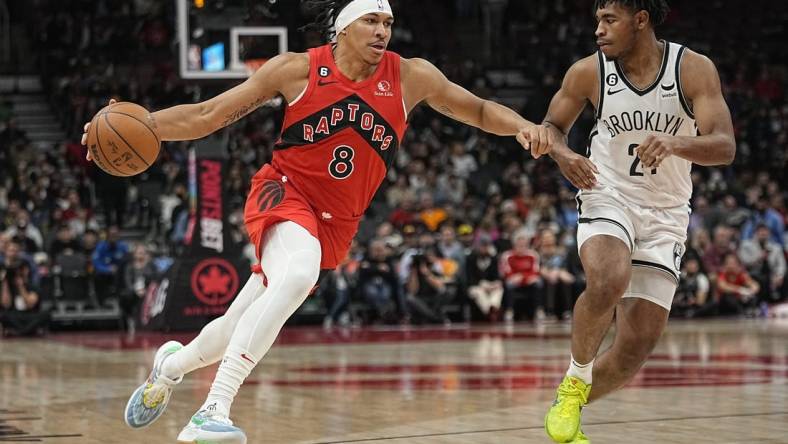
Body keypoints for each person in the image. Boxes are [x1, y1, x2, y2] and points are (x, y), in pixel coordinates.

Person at [83, 1, 551, 441]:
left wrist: (522, 126)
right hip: (283, 194)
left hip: (337, 222)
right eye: (371, 21)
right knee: (298, 274)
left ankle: (170, 366)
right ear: (343, 26)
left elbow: (481, 109)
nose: (382, 32)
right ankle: (214, 409)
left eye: (387, 24)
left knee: (233, 327)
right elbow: (208, 114)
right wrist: (143, 123)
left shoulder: (410, 77)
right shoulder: (297, 69)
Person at [539, 1, 736, 442]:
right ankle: (575, 378)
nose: (599, 30)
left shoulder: (692, 68)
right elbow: (551, 126)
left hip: (666, 212)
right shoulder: (587, 72)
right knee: (609, 277)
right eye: (597, 21)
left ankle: (571, 398)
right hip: (607, 193)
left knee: (635, 347)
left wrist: (675, 142)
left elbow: (724, 146)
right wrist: (564, 153)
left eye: (609, 20)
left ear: (640, 19)